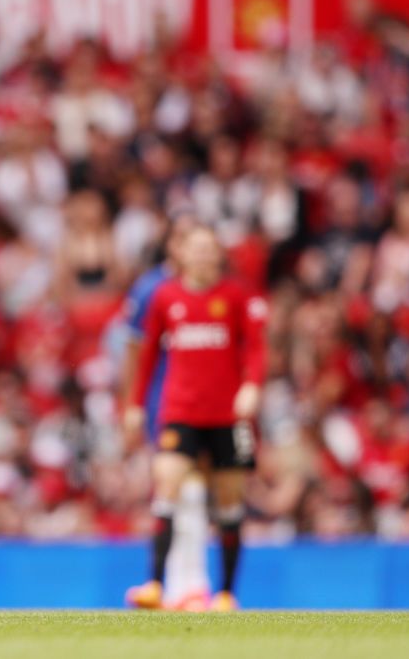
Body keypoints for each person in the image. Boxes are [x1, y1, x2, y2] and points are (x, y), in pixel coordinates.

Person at [125, 225, 266, 611]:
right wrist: (136, 405)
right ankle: (155, 584)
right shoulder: (165, 297)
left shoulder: (237, 295)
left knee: (230, 501)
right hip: (180, 411)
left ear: (219, 254)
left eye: (210, 248)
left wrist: (252, 385)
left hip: (227, 415)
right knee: (166, 485)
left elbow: (255, 347)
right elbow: (148, 354)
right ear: (182, 253)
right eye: (196, 248)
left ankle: (225, 593)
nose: (204, 255)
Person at [120, 214, 213, 611]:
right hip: (165, 399)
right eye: (180, 240)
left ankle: (187, 583)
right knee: (176, 488)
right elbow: (134, 352)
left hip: (208, 400)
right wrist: (131, 405)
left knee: (195, 488)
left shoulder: (215, 289)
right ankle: (181, 583)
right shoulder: (150, 289)